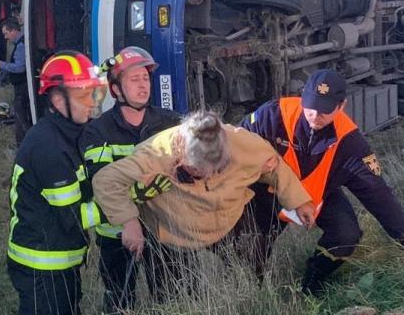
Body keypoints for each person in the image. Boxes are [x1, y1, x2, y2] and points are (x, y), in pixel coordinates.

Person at [92, 110, 315, 297]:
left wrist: (300, 201)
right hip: (174, 233)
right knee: (176, 297)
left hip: (228, 220)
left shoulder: (239, 140)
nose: (208, 176)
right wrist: (129, 223)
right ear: (181, 153)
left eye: (216, 169)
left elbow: (274, 166)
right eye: (198, 171)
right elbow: (106, 180)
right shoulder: (156, 153)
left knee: (251, 271)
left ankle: (248, 307)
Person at [241, 70, 404, 296]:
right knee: (251, 250)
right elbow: (237, 145)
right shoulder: (272, 116)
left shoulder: (350, 143)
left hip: (316, 195)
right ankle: (253, 292)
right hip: (269, 195)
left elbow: (380, 196)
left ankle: (312, 284)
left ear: (341, 105)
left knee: (346, 234)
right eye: (311, 106)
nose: (315, 115)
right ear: (302, 96)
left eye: (325, 110)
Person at [0, 52, 108, 315]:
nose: (92, 103)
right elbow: (74, 216)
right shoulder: (47, 146)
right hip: (41, 262)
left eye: (95, 94)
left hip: (65, 258)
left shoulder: (72, 132)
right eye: (84, 96)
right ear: (58, 99)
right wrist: (123, 204)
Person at [80, 47, 179, 315]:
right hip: (116, 233)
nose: (143, 85)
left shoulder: (169, 122)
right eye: (134, 79)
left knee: (172, 292)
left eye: (145, 78)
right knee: (119, 299)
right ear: (116, 89)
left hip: (163, 225)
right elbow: (101, 183)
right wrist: (129, 220)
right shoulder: (98, 131)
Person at [0, 18, 31, 145]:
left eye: (6, 33)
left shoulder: (20, 45)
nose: (5, 37)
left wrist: (2, 65)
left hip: (22, 86)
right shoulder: (25, 40)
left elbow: (20, 68)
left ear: (14, 31)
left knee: (21, 117)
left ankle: (21, 145)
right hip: (25, 85)